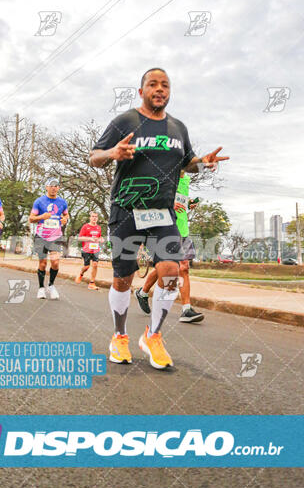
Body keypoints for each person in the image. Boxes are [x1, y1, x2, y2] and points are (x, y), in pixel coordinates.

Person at [90, 68, 229, 369]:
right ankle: (119, 336)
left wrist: (203, 164)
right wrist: (113, 152)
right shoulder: (125, 121)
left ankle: (152, 336)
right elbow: (94, 156)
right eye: (152, 84)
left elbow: (188, 163)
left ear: (169, 92)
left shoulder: (178, 128)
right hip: (126, 208)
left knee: (170, 270)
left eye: (165, 85)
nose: (159, 89)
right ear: (141, 91)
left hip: (161, 213)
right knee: (122, 278)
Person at [134, 171, 204, 323]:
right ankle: (184, 309)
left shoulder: (185, 179)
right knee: (173, 267)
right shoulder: (163, 174)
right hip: (166, 228)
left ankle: (144, 293)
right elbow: (146, 199)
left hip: (183, 228)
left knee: (180, 267)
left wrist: (188, 203)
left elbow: (180, 200)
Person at [29, 177, 68, 300]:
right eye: (51, 185)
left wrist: (65, 219)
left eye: (56, 185)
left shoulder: (62, 202)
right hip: (41, 236)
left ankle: (51, 285)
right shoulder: (39, 201)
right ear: (46, 187)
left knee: (55, 262)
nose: (53, 188)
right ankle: (41, 288)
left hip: (56, 236)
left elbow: (66, 214)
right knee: (43, 263)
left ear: (58, 188)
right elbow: (31, 218)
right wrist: (42, 216)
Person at [75, 211, 104, 290]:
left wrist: (101, 239)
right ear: (90, 218)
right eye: (93, 216)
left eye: (96, 217)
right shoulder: (85, 226)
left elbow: (99, 237)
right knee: (86, 267)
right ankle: (81, 274)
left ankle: (92, 283)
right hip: (86, 249)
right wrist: (89, 238)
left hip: (95, 249)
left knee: (95, 265)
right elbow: (80, 238)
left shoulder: (98, 227)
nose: (94, 218)